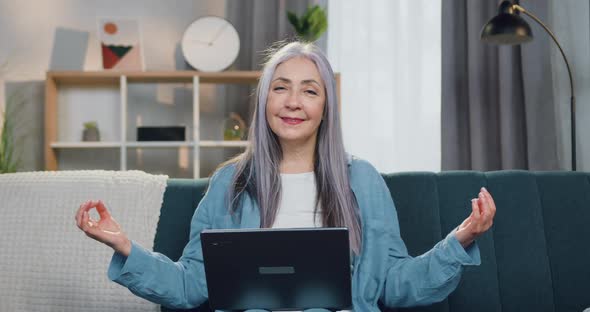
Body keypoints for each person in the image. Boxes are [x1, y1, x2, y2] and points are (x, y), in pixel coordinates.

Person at [75, 41, 496, 311]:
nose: (293, 101)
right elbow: (190, 287)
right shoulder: (229, 183)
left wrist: (460, 240)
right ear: (264, 100)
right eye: (281, 87)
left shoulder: (361, 180)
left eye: (310, 90)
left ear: (326, 107)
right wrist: (127, 247)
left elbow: (395, 285)